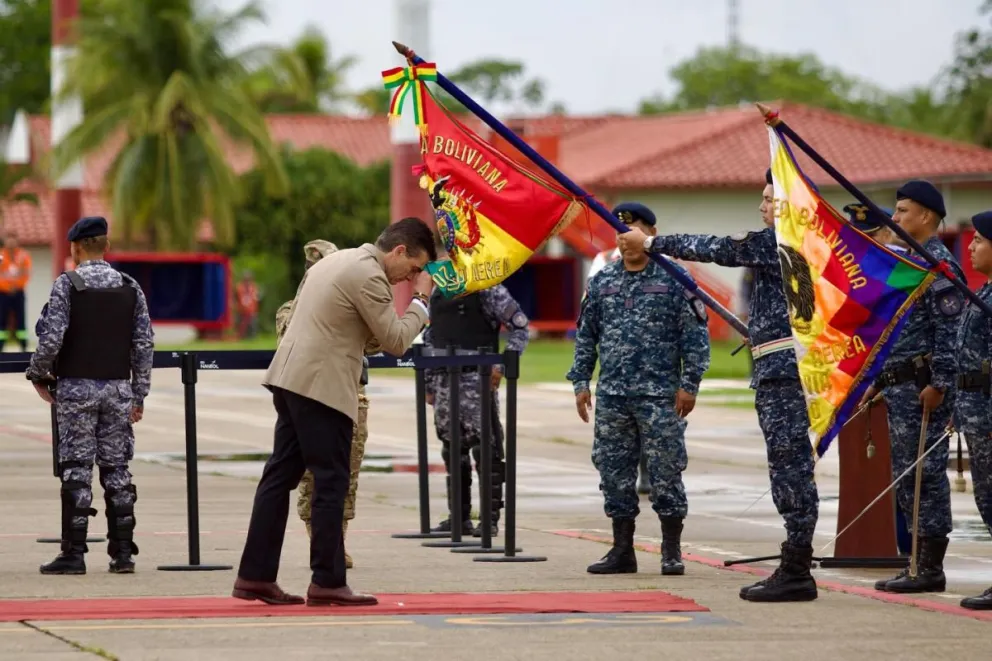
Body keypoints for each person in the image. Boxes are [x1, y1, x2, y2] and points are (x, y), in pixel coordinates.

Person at [616, 170, 820, 602]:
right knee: (790, 468)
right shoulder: (798, 244)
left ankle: (798, 567)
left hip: (784, 375)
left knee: (791, 470)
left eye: (769, 199)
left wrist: (653, 244)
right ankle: (795, 562)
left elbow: (718, 249)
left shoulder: (781, 240)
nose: (762, 207)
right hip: (781, 367)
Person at [232, 217, 436, 607]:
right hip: (322, 386)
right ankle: (327, 580)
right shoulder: (369, 276)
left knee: (279, 478)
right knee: (331, 481)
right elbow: (395, 341)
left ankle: (255, 576)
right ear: (398, 251)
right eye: (412, 269)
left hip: (291, 378)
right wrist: (421, 302)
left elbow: (369, 336)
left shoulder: (336, 260)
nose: (409, 278)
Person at [569, 202, 710, 576]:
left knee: (666, 473)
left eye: (632, 232)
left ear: (651, 233)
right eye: (620, 233)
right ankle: (621, 550)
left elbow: (695, 338)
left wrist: (689, 385)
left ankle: (671, 550)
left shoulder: (676, 279)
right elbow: (586, 336)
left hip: (660, 395)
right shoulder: (603, 281)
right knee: (614, 473)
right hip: (614, 396)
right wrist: (581, 381)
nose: (625, 240)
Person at [25, 216, 154, 575]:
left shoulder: (68, 285)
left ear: (75, 248)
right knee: (117, 468)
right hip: (117, 389)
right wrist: (138, 395)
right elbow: (144, 345)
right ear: (107, 247)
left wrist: (37, 373)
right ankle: (123, 553)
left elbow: (52, 337)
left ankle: (74, 553)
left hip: (77, 389)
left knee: (77, 468)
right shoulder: (131, 287)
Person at [858, 181, 965, 594]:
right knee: (908, 476)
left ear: (925, 217)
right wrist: (880, 381)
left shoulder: (938, 267)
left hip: (924, 388)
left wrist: (939, 383)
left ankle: (928, 568)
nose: (896, 218)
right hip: (902, 386)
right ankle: (915, 562)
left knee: (924, 477)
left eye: (903, 211)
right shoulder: (911, 263)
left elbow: (949, 330)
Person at [276, 239, 373, 569]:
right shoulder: (292, 309)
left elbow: (376, 340)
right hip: (313, 398)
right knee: (310, 477)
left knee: (348, 474)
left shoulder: (354, 301)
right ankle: (320, 539)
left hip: (351, 395)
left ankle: (338, 537)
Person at [423, 267, 530, 537]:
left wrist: (503, 365)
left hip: (476, 380)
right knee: (451, 449)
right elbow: (430, 335)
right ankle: (458, 518)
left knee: (487, 452)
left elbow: (519, 326)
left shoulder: (486, 286)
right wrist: (428, 382)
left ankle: (489, 521)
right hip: (444, 382)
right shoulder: (440, 285)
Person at [844, 202, 913, 556]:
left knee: (909, 474)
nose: (864, 243)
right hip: (867, 385)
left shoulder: (905, 269)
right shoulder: (858, 270)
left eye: (871, 235)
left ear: (888, 232)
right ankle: (896, 549)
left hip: (904, 386)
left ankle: (911, 550)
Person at [584, 242, 652, 495]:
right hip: (615, 371)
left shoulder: (664, 260)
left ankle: (647, 475)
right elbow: (589, 306)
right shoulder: (603, 261)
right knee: (611, 445)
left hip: (653, 369)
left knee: (653, 434)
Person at [952, 210, 992, 611]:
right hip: (976, 413)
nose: (972, 246)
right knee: (986, 498)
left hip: (989, 415)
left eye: (980, 239)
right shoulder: (985, 293)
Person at [0, 229, 32, 352]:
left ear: (17, 240)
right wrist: (7, 286)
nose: (11, 241)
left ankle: (24, 347)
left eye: (13, 238)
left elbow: (26, 274)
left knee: (21, 322)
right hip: (3, 293)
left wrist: (16, 285)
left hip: (18, 293)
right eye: (8, 238)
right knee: (1, 321)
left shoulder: (24, 256)